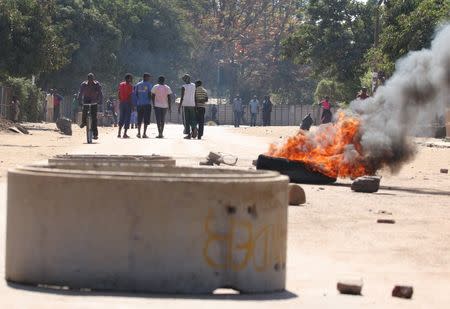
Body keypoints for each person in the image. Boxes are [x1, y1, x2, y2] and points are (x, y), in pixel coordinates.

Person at [78, 73, 103, 139]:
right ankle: (83, 122)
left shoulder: (97, 84)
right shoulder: (83, 84)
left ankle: (95, 134)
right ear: (87, 79)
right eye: (89, 79)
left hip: (94, 101)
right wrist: (79, 101)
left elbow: (100, 93)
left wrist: (100, 101)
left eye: (92, 79)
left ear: (93, 79)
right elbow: (80, 93)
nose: (91, 80)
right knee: (84, 111)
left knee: (94, 118)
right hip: (86, 100)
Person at [133, 73, 153, 138]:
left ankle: (138, 133)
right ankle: (144, 134)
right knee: (146, 119)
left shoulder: (137, 85)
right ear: (145, 77)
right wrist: (150, 101)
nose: (149, 79)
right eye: (148, 77)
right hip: (147, 104)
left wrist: (136, 103)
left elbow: (135, 94)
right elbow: (150, 94)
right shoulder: (149, 85)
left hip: (139, 104)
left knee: (139, 119)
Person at [178, 74, 198, 139]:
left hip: (185, 105)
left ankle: (189, 134)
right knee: (193, 118)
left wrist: (179, 106)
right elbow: (195, 96)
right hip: (192, 104)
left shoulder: (183, 87)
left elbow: (182, 97)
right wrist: (196, 105)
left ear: (185, 79)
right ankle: (194, 128)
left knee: (186, 120)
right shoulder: (194, 85)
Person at [117, 73, 133, 138]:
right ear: (128, 78)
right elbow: (130, 96)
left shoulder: (121, 84)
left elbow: (119, 93)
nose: (131, 79)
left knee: (121, 117)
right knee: (127, 118)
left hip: (122, 103)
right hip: (127, 103)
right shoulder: (130, 86)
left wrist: (120, 100)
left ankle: (119, 133)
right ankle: (125, 134)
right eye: (131, 78)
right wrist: (131, 105)